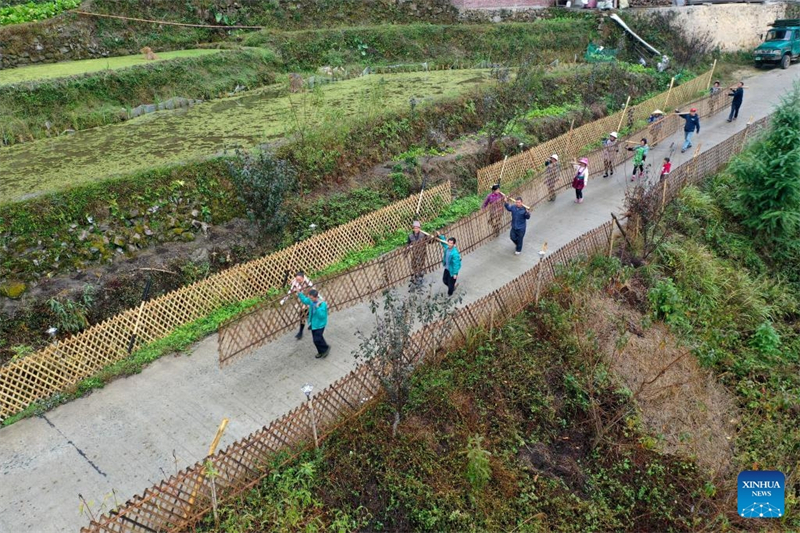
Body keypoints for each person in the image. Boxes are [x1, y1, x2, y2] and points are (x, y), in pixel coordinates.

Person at [281, 270, 314, 339]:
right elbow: (290, 291)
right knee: (302, 314)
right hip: (301, 300)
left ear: (303, 278)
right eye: (297, 279)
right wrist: (283, 300)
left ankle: (307, 326)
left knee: (307, 313)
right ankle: (301, 331)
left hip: (308, 299)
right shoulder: (295, 282)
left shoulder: (307, 281)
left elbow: (313, 288)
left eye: (299, 279)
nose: (298, 281)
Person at [297, 289, 329, 359]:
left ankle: (325, 349)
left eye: (311, 298)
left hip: (320, 325)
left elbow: (322, 316)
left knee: (316, 339)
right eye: (309, 298)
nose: (310, 299)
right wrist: (300, 294)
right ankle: (321, 351)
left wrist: (317, 308)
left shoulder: (322, 304)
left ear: (316, 297)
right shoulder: (311, 301)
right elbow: (305, 300)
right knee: (318, 338)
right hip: (313, 324)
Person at [435, 231, 461, 296]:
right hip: (447, 268)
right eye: (448, 243)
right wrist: (440, 235)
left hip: (452, 271)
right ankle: (452, 286)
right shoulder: (447, 248)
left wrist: (455, 273)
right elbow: (443, 242)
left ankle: (450, 294)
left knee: (450, 285)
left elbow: (456, 264)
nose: (449, 244)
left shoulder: (455, 253)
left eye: (451, 243)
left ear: (454, 244)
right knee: (444, 280)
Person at [407, 220, 427, 287]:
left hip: (422, 252)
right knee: (413, 263)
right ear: (413, 228)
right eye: (415, 228)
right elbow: (408, 244)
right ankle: (415, 274)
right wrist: (407, 249)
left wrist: (433, 238)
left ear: (420, 228)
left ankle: (420, 275)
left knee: (421, 263)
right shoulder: (410, 236)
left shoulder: (423, 234)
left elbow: (429, 241)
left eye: (418, 228)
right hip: (415, 252)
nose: (416, 229)